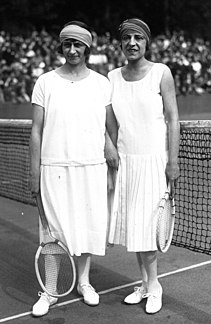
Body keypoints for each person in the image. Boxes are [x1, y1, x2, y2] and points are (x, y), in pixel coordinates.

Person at [29, 20, 118, 317]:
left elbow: (108, 125)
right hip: (53, 166)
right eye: (67, 44)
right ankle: (51, 289)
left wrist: (107, 143)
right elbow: (36, 132)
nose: (72, 50)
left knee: (87, 228)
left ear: (87, 48)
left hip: (91, 166)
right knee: (52, 233)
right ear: (61, 47)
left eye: (77, 44)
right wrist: (33, 172)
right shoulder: (45, 82)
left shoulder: (101, 83)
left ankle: (84, 282)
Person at [107, 18, 180, 314]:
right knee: (135, 230)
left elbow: (173, 118)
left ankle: (155, 286)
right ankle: (145, 284)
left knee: (148, 230)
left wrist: (173, 161)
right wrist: (109, 151)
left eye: (138, 37)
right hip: (126, 162)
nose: (132, 43)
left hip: (155, 162)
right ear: (121, 43)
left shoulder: (162, 73)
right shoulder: (111, 77)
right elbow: (109, 125)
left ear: (147, 42)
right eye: (127, 38)